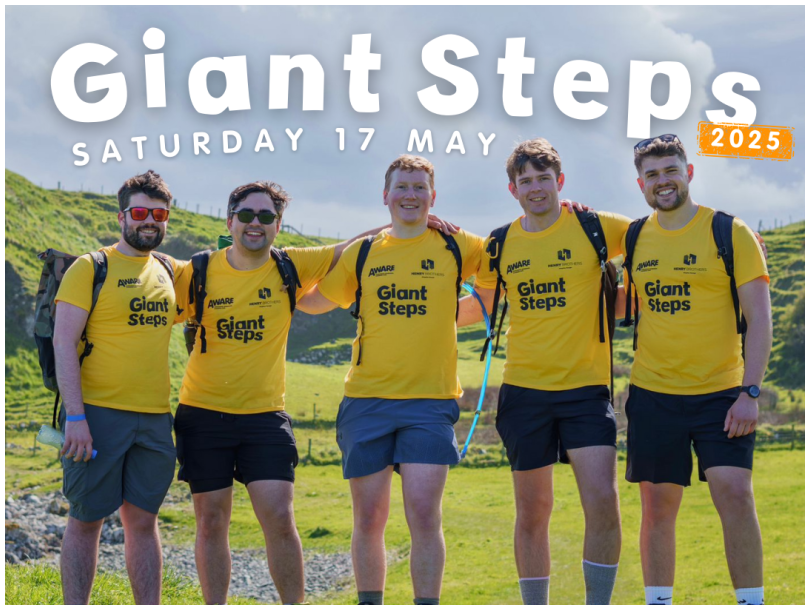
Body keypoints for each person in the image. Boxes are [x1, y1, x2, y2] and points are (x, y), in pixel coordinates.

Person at [173, 179, 455, 605]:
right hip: (202, 413)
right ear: (230, 220)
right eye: (246, 215)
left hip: (265, 417)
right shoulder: (196, 271)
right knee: (211, 522)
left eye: (266, 216)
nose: (255, 223)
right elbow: (146, 290)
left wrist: (403, 220)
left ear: (278, 224)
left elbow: (348, 247)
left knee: (281, 518)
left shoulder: (291, 265)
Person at [297, 155, 484, 605]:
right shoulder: (364, 254)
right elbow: (311, 302)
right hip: (367, 401)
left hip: (429, 402)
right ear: (386, 195)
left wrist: (452, 315)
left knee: (424, 515)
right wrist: (261, 268)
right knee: (369, 519)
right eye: (402, 186)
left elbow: (505, 271)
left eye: (420, 187)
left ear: (433, 197)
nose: (410, 195)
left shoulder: (459, 246)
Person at [460, 138, 630, 605]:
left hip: (586, 392)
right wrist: (422, 315)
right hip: (524, 394)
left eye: (542, 178)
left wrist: (741, 235)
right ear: (512, 189)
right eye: (525, 181)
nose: (535, 188)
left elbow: (660, 230)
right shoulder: (499, 243)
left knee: (603, 505)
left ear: (560, 181)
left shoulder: (597, 227)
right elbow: (485, 305)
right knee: (532, 512)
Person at [623, 135, 771, 606]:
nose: (662, 182)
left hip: (722, 394)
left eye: (670, 171)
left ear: (688, 172)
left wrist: (750, 391)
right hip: (653, 394)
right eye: (652, 175)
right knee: (657, 508)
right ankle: (658, 601)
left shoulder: (730, 232)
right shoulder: (634, 236)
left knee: (734, 495)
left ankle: (751, 600)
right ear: (641, 183)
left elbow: (760, 318)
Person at [53, 170, 187, 605]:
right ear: (122, 216)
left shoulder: (169, 269)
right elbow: (63, 342)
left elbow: (223, 271)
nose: (150, 220)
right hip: (96, 415)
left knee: (144, 522)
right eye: (141, 212)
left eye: (159, 213)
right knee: (87, 520)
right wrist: (75, 418)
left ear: (167, 218)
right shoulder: (91, 267)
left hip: (153, 418)